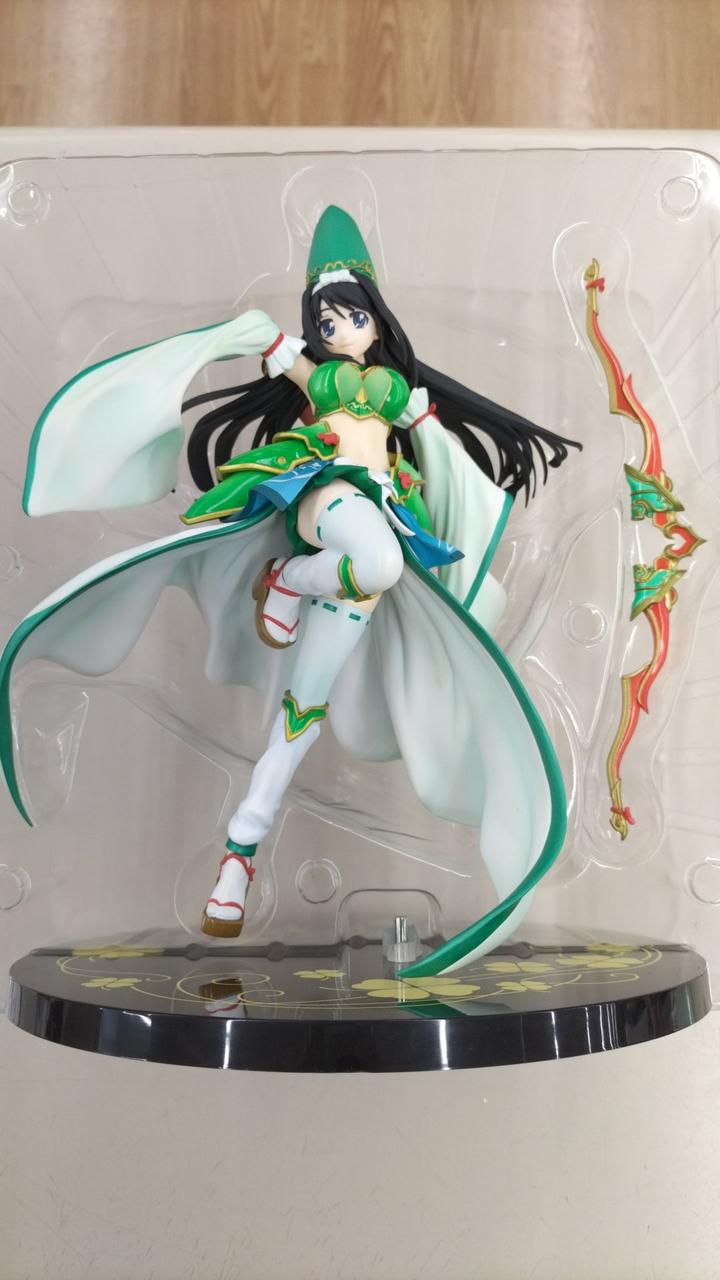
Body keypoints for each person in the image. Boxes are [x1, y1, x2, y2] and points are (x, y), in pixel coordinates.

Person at [0, 206, 579, 977]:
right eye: (326, 320)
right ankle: (285, 576)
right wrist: (243, 338)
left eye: (352, 317)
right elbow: (264, 346)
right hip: (322, 500)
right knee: (379, 563)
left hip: (375, 522)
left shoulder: (396, 390)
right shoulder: (318, 375)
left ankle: (238, 854)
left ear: (377, 319)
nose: (339, 329)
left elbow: (442, 448)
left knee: (302, 714)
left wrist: (457, 489)